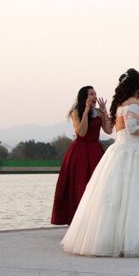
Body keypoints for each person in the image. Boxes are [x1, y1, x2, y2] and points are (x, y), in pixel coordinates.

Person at [61, 69, 139, 257]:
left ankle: (116, 239)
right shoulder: (133, 105)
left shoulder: (123, 105)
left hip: (124, 151)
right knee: (136, 197)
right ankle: (134, 241)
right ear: (136, 86)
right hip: (136, 153)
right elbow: (134, 129)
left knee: (122, 198)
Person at [51, 86, 112, 225]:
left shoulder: (99, 112)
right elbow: (82, 132)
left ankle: (96, 220)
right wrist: (85, 112)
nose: (94, 97)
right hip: (80, 152)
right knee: (79, 185)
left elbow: (108, 130)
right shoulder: (76, 112)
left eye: (95, 94)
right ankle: (77, 221)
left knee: (97, 185)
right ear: (84, 97)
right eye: (91, 94)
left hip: (95, 150)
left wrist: (105, 112)